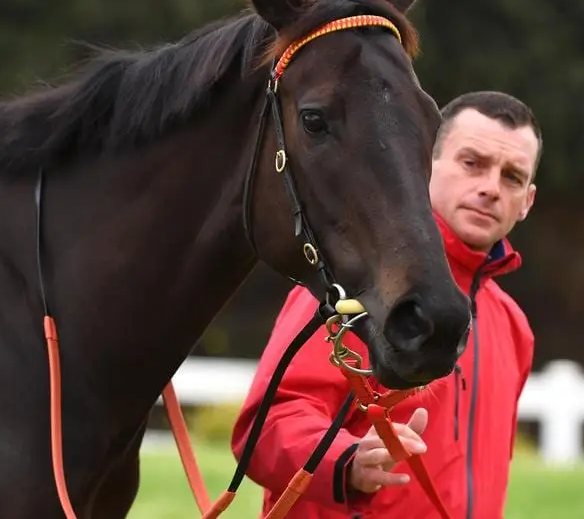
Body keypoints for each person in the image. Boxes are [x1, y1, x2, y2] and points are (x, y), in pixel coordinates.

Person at [231, 91, 542, 519]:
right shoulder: (355, 282)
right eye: (472, 163)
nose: (490, 188)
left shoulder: (513, 326)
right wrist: (347, 462)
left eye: (512, 177)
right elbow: (263, 430)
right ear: (423, 163)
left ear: (527, 201)